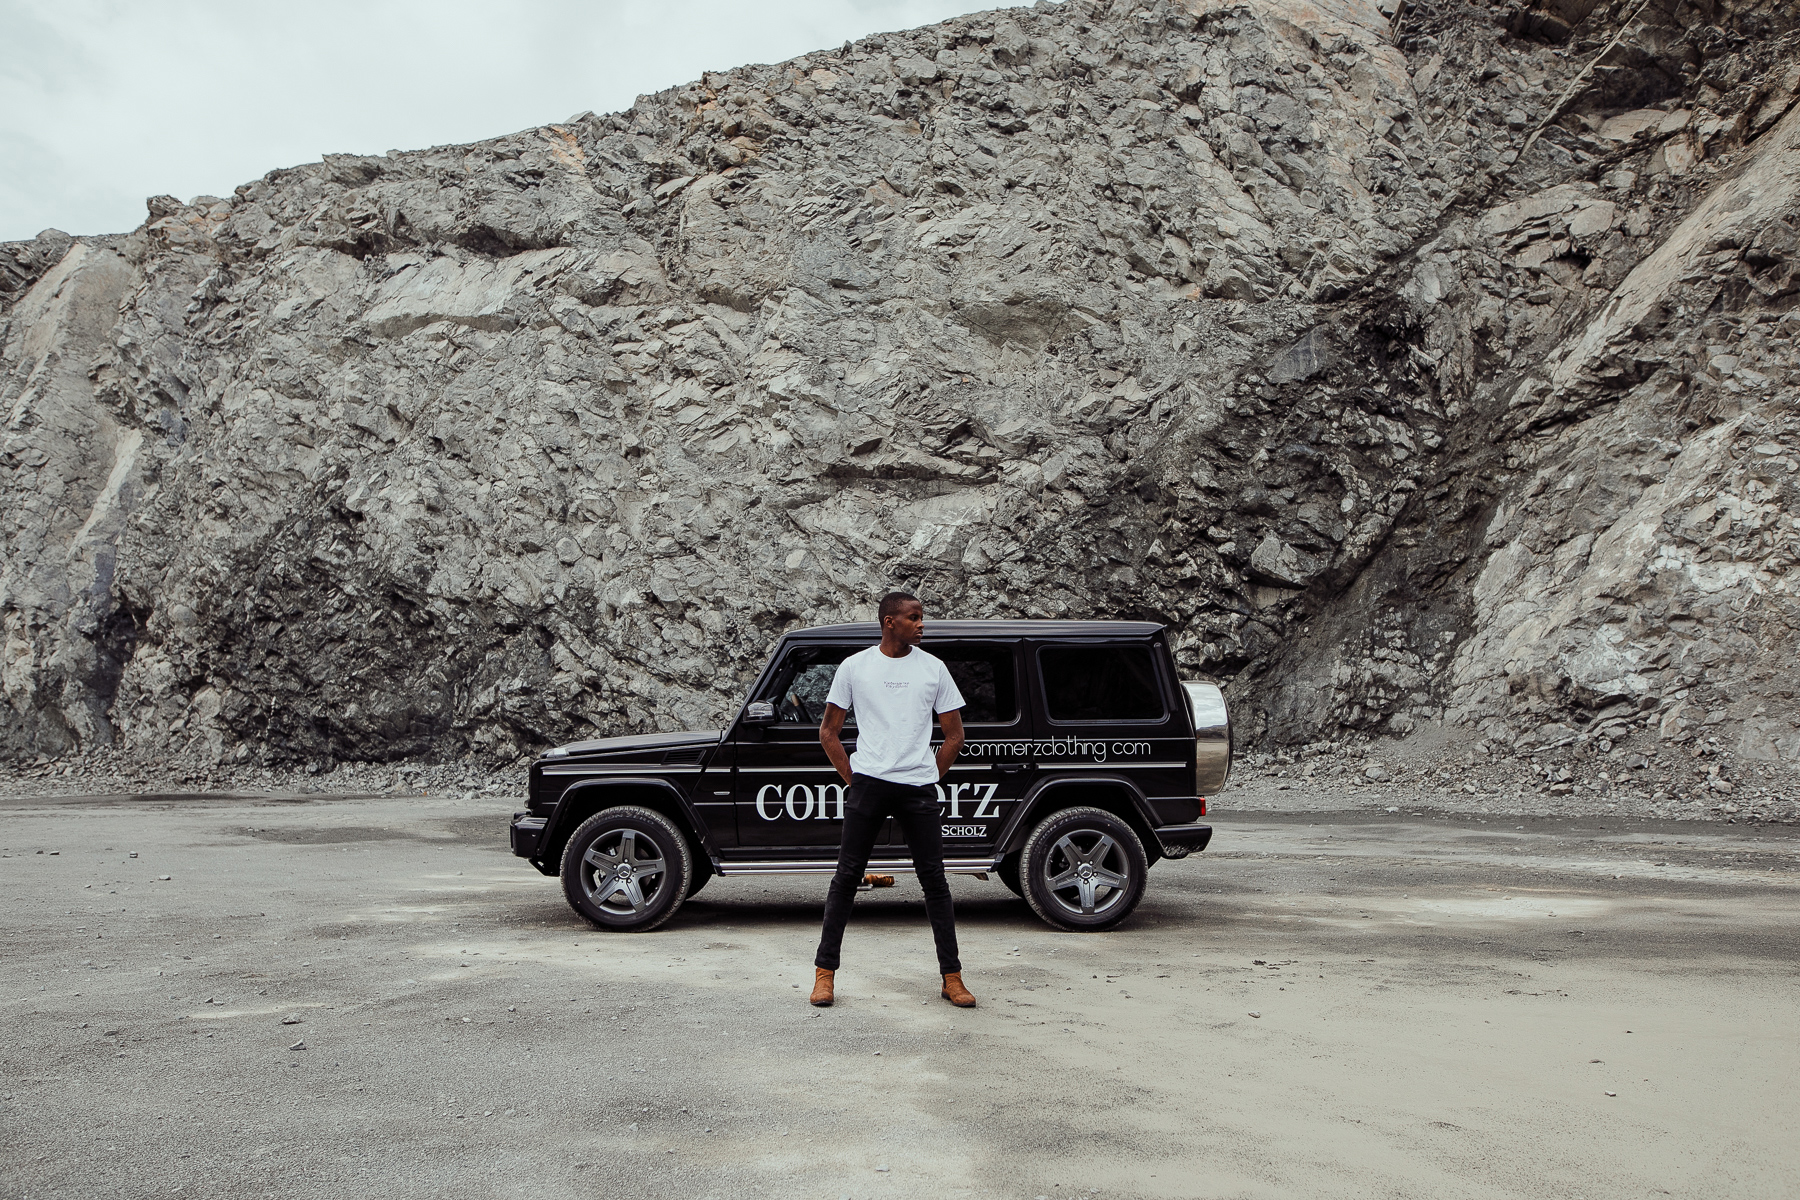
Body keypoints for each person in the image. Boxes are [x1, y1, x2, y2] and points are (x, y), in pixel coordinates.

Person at [809, 591, 975, 1009]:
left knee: (934, 880)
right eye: (914, 618)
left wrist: (927, 776)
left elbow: (955, 735)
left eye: (921, 617)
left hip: (917, 786)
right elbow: (828, 731)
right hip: (869, 783)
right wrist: (855, 780)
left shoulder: (933, 668)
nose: (921, 624)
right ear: (889, 622)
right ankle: (824, 975)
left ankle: (952, 978)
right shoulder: (855, 667)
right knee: (847, 877)